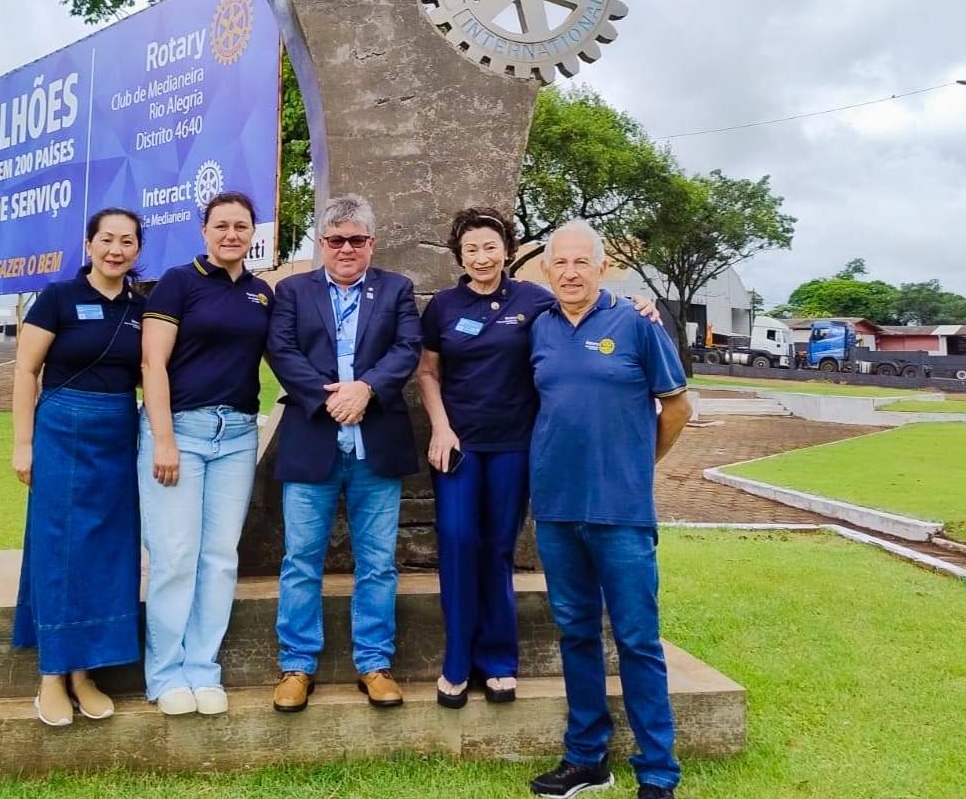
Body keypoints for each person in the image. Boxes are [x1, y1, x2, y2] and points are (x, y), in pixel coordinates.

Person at [526, 219, 692, 799]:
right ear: (547, 271)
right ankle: (587, 758)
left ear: (602, 268)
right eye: (560, 263)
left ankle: (658, 771)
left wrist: (639, 463)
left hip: (621, 512)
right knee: (575, 633)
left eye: (582, 262)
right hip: (555, 507)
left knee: (637, 638)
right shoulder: (538, 329)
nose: (570, 272)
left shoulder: (638, 325)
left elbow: (677, 407)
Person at [267, 194, 422, 713]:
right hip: (314, 438)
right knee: (301, 560)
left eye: (357, 239)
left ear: (372, 243)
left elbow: (406, 349)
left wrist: (367, 389)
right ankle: (296, 665)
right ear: (322, 244)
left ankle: (375, 664)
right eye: (336, 240)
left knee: (377, 562)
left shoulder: (397, 289)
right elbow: (282, 350)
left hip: (375, 444)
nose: (347, 248)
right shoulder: (291, 291)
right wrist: (331, 396)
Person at [138, 191, 274, 716]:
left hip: (236, 435)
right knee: (174, 557)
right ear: (204, 230)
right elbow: (153, 365)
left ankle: (203, 668)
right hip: (180, 434)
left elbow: (279, 354)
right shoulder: (178, 283)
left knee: (219, 559)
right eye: (222, 225)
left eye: (242, 226)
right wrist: (164, 437)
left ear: (252, 233)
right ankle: (166, 673)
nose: (231, 234)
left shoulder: (261, 294)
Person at [11, 207, 147, 726]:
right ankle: (52, 674)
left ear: (137, 249)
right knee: (59, 548)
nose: (116, 249)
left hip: (118, 434)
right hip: (62, 431)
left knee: (109, 550)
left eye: (127, 241)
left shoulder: (141, 307)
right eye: (107, 239)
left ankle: (85, 673)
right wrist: (23, 445)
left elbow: (151, 371)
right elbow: (26, 371)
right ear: (89, 244)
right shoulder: (58, 298)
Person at [416, 205, 552, 708]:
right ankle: (456, 662)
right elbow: (429, 373)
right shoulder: (444, 307)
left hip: (514, 445)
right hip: (459, 446)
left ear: (508, 251)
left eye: (490, 247)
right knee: (456, 542)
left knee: (498, 549)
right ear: (459, 254)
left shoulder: (534, 301)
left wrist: (640, 308)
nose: (481, 257)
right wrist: (441, 428)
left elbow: (587, 313)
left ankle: (498, 662)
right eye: (471, 248)